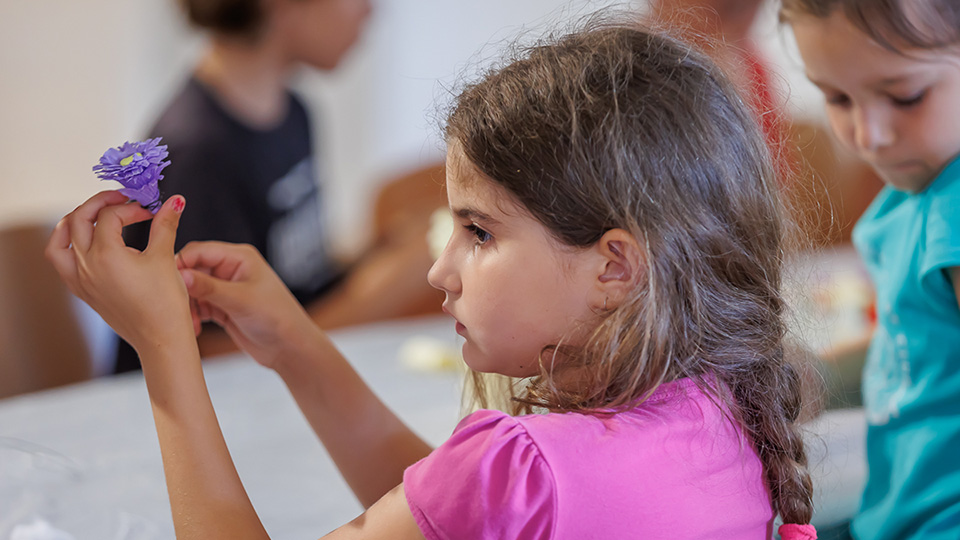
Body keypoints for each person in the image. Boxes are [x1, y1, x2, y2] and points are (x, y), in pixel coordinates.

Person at [46, 20, 818, 539]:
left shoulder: (517, 469)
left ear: (614, 265)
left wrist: (163, 351)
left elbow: (472, 499)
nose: (438, 270)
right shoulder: (721, 408)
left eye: (478, 232)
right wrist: (293, 344)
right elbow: (453, 512)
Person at [114, 0, 443, 372]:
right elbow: (220, 356)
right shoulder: (196, 152)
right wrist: (390, 288)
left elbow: (296, 283)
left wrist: (380, 253)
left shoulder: (294, 112)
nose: (369, 9)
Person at [780, 1, 960, 539]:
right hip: (894, 514)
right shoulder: (921, 191)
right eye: (838, 98)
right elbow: (918, 349)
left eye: (906, 96)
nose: (868, 135)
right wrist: (817, 376)